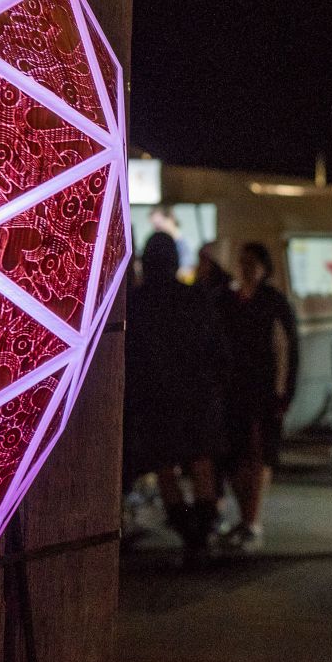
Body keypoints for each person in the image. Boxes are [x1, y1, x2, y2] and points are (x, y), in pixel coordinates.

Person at [123, 233, 229, 567]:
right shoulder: (194, 297)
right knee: (201, 463)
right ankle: (204, 529)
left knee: (165, 467)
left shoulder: (137, 303)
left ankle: (185, 529)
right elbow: (217, 348)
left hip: (156, 398)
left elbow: (132, 356)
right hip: (197, 394)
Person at [217, 241, 298, 554]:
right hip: (236, 392)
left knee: (259, 454)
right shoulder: (228, 300)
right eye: (243, 261)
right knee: (237, 457)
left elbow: (285, 351)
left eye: (252, 262)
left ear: (265, 267)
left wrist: (282, 392)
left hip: (264, 393)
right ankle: (245, 519)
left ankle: (252, 521)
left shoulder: (273, 302)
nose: (246, 268)